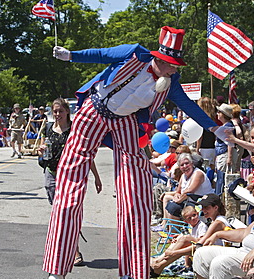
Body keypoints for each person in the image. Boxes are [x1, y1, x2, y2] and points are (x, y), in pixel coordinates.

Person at [46, 26, 226, 279]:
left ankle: (132, 272)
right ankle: (57, 269)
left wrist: (214, 128)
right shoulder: (134, 54)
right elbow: (101, 54)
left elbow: (187, 105)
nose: (175, 70)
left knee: (136, 194)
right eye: (172, 64)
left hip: (126, 122)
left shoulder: (170, 83)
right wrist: (71, 55)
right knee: (69, 185)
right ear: (161, 59)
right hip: (94, 110)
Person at [38, 98, 102, 267]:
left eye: (60, 111)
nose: (57, 114)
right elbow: (44, 149)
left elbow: (86, 154)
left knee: (68, 213)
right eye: (54, 111)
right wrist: (41, 151)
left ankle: (74, 251)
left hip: (71, 176)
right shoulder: (48, 128)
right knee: (59, 214)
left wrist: (96, 176)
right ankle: (63, 250)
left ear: (67, 111)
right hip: (51, 174)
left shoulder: (74, 129)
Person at [150, 194, 231, 277]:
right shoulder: (216, 220)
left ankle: (158, 264)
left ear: (216, 207)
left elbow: (200, 244)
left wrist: (175, 252)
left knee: (186, 239)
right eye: (202, 207)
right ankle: (158, 263)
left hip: (217, 254)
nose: (203, 210)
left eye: (207, 207)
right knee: (183, 238)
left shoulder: (217, 223)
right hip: (213, 250)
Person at [162, 153, 214, 224]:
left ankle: (175, 231)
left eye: (187, 163)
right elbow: (178, 191)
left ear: (192, 163)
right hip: (189, 200)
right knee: (168, 200)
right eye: (182, 165)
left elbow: (190, 190)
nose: (185, 166)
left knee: (173, 207)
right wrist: (177, 195)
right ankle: (166, 226)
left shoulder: (198, 174)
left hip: (200, 202)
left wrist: (178, 200)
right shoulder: (183, 176)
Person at [214, 103, 235, 194]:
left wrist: (229, 157)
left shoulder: (228, 126)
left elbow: (230, 142)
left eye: (219, 112)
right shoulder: (225, 125)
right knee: (220, 177)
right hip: (221, 154)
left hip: (224, 154)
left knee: (222, 178)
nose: (217, 113)